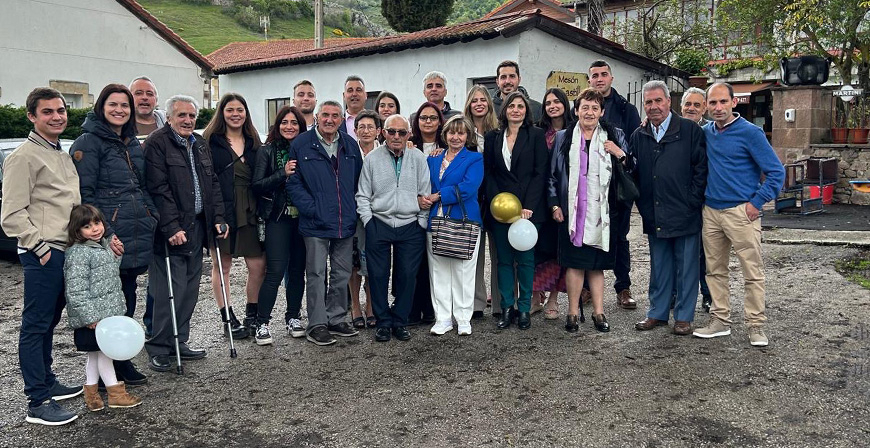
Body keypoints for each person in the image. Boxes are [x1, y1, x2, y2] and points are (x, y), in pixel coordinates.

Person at [1, 87, 84, 426]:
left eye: (61, 110)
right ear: (32, 117)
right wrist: (40, 248)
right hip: (44, 254)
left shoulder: (60, 153)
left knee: (49, 322)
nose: (57, 116)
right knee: (36, 326)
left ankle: (49, 380)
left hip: (66, 250)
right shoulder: (23, 157)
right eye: (47, 112)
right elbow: (11, 214)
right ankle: (38, 400)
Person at [70, 83, 156, 386]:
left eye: (124, 105)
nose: (119, 110)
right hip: (108, 235)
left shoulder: (131, 142)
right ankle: (109, 366)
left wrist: (151, 214)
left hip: (136, 230)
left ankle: (121, 358)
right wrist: (106, 235)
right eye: (113, 104)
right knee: (106, 301)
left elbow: (141, 185)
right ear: (101, 107)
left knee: (126, 298)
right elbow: (86, 194)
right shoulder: (89, 142)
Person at [693, 83, 785, 347]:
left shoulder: (751, 133)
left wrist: (756, 203)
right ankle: (720, 320)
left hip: (741, 212)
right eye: (713, 103)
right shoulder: (706, 133)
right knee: (715, 271)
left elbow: (777, 173)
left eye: (723, 102)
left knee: (752, 272)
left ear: (734, 103)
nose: (718, 108)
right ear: (707, 106)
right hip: (711, 211)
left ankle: (756, 326)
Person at [144, 95, 228, 371]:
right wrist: (171, 227)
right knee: (169, 290)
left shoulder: (199, 143)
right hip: (171, 233)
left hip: (197, 229)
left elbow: (212, 184)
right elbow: (157, 189)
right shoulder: (157, 143)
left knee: (189, 290)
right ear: (168, 117)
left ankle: (180, 341)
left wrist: (217, 218)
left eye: (192, 116)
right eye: (181, 115)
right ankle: (159, 346)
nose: (188, 120)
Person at [548, 88, 630, 334]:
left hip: (603, 214)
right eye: (585, 107)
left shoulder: (614, 135)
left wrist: (619, 153)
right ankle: (572, 312)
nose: (590, 112)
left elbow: (632, 167)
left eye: (595, 108)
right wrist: (554, 204)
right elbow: (552, 176)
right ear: (576, 111)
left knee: (596, 265)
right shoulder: (563, 137)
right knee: (574, 264)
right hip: (572, 213)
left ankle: (598, 312)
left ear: (602, 112)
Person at [631, 81, 707, 336]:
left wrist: (693, 200)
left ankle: (684, 317)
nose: (654, 107)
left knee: (686, 267)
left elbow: (701, 169)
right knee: (659, 266)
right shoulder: (639, 134)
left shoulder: (690, 130)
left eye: (658, 101)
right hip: (655, 211)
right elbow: (634, 172)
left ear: (668, 102)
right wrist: (642, 204)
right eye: (648, 102)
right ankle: (657, 313)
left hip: (684, 211)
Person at [287, 100, 364, 346]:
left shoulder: (350, 145)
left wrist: (351, 210)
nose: (330, 119)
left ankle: (337, 317)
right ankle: (317, 323)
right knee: (317, 273)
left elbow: (357, 181)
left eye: (335, 115)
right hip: (315, 223)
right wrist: (312, 209)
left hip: (344, 221)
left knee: (341, 273)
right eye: (325, 115)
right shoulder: (301, 144)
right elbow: (293, 182)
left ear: (342, 119)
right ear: (317, 117)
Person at [356, 114, 431, 342]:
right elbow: (362, 194)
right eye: (391, 131)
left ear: (409, 134)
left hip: (410, 224)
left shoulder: (418, 158)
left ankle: (400, 320)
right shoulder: (372, 159)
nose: (396, 136)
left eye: (401, 132)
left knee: (408, 275)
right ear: (383, 133)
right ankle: (383, 322)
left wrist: (421, 221)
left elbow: (425, 193)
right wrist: (369, 221)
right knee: (378, 275)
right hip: (380, 222)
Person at [64, 204, 141, 412]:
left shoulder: (103, 246)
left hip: (106, 315)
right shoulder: (78, 254)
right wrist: (89, 317)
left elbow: (107, 275)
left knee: (95, 356)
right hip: (94, 318)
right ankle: (116, 394)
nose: (95, 229)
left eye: (97, 223)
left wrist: (116, 256)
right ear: (77, 230)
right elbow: (76, 290)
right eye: (87, 226)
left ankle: (92, 397)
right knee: (104, 355)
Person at [483, 91, 548, 330]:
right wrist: (496, 202)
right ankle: (507, 308)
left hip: (527, 211)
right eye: (512, 106)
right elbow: (489, 172)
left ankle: (524, 310)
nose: (516, 110)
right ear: (505, 110)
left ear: (526, 110)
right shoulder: (493, 137)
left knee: (525, 260)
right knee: (503, 261)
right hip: (501, 208)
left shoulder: (536, 135)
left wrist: (528, 206)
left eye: (521, 106)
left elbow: (540, 172)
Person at [204, 93, 266, 341]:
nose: (235, 114)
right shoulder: (210, 141)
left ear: (246, 113)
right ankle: (227, 317)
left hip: (250, 208)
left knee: (258, 265)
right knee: (223, 266)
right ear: (222, 112)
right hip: (223, 209)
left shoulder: (254, 141)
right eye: (230, 110)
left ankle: (252, 313)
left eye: (240, 110)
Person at [587, 60, 641, 310]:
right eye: (594, 75)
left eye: (603, 74)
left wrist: (619, 153)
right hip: (591, 186)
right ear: (589, 80)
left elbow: (634, 148)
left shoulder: (626, 109)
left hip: (618, 186)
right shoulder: (583, 106)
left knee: (619, 237)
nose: (599, 79)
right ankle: (587, 289)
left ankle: (623, 287)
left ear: (611, 78)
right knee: (589, 235)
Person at [252, 106, 308, 343]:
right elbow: (257, 185)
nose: (289, 126)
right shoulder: (267, 151)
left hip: (304, 219)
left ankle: (293, 317)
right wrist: (282, 173)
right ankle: (262, 323)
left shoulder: (307, 150)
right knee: (275, 271)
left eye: (294, 122)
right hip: (278, 217)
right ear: (277, 125)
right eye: (284, 122)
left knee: (297, 272)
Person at [425, 116, 484, 335]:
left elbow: (468, 187)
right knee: (438, 271)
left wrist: (438, 196)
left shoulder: (475, 159)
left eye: (461, 133)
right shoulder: (433, 158)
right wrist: (424, 198)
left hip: (464, 219)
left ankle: (463, 318)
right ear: (445, 135)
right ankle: (442, 319)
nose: (456, 137)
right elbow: (425, 184)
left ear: (467, 136)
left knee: (463, 271)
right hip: (435, 220)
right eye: (452, 132)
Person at [533, 87, 574, 320]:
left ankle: (554, 298)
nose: (552, 106)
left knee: (559, 251)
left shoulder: (574, 131)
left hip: (564, 200)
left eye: (557, 101)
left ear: (564, 104)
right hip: (540, 199)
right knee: (538, 249)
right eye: (548, 102)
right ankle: (536, 295)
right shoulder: (539, 132)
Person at [464, 85, 500, 319]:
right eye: (474, 100)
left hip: (495, 199)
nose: (479, 103)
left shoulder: (498, 132)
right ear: (469, 105)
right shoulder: (462, 132)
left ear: (488, 104)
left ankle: (499, 303)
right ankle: (476, 303)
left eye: (483, 100)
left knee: (499, 255)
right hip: (471, 200)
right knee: (473, 256)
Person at [407, 102, 444, 325]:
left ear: (440, 121)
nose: (428, 121)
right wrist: (416, 200)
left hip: (437, 210)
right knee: (413, 262)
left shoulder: (447, 146)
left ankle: (432, 308)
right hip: (413, 211)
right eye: (423, 118)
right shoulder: (410, 146)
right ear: (417, 121)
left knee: (435, 263)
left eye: (432, 118)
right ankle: (412, 307)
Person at [680, 87, 712, 312]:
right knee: (675, 252)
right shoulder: (669, 128)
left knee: (704, 252)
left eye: (696, 105)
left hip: (704, 201)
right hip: (675, 201)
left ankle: (708, 295)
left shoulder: (710, 131)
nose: (691, 108)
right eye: (688, 104)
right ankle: (673, 294)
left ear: (705, 108)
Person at [348, 110, 380, 329]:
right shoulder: (348, 151)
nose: (366, 131)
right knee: (353, 262)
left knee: (374, 262)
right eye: (362, 127)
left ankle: (371, 306)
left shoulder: (386, 152)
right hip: (352, 213)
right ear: (355, 130)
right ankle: (355, 307)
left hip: (378, 215)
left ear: (378, 131)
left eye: (370, 127)